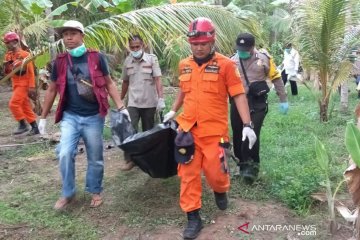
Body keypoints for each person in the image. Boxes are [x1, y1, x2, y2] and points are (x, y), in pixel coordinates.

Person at [162, 18, 257, 239]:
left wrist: (247, 125)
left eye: (203, 43)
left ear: (211, 41)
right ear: (190, 44)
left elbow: (238, 95)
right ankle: (193, 217)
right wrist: (173, 110)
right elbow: (183, 90)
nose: (199, 47)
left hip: (215, 132)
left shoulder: (226, 65)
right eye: (195, 43)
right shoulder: (184, 64)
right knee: (188, 174)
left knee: (216, 173)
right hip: (187, 130)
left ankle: (220, 190)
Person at [38, 20, 129, 210]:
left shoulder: (96, 58)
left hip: (94, 116)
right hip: (70, 116)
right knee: (64, 153)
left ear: (82, 36)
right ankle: (68, 192)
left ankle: (95, 190)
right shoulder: (60, 62)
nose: (69, 37)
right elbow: (52, 89)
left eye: (73, 33)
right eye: (65, 34)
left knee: (95, 156)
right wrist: (43, 117)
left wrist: (121, 106)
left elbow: (109, 83)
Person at [230, 33, 288, 184]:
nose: (242, 51)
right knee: (237, 133)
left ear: (252, 47)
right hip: (237, 102)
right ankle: (242, 165)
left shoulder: (264, 59)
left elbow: (276, 78)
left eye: (245, 49)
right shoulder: (232, 61)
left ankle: (252, 168)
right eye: (239, 48)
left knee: (252, 133)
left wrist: (283, 99)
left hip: (257, 102)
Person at [119, 34, 164, 171]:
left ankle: (148, 159)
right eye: (132, 47)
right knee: (129, 131)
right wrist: (120, 99)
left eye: (137, 46)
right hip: (133, 102)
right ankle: (130, 160)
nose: (135, 49)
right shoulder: (127, 61)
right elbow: (125, 82)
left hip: (149, 102)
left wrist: (161, 99)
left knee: (148, 132)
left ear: (143, 45)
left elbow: (157, 79)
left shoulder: (152, 59)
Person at [3, 32, 39, 135]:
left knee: (13, 104)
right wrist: (6, 66)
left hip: (24, 84)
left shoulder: (25, 55)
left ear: (15, 42)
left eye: (8, 43)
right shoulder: (8, 55)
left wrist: (31, 87)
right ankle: (35, 127)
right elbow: (7, 72)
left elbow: (31, 72)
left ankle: (23, 125)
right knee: (24, 106)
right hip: (15, 83)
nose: (6, 45)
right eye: (6, 43)